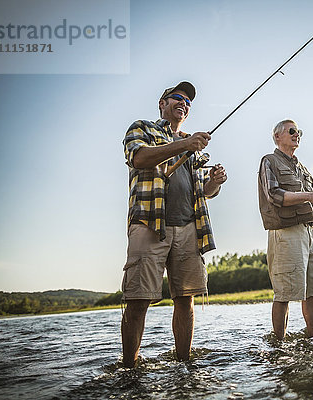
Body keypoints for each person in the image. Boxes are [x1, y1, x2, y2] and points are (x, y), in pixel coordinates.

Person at [121, 81, 227, 367]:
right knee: (138, 299)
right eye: (177, 98)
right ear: (162, 103)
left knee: (186, 298)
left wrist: (214, 183)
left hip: (189, 228)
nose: (184, 103)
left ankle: (184, 364)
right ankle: (129, 368)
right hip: (148, 224)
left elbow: (202, 191)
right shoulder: (142, 128)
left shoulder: (192, 143)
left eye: (188, 102)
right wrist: (184, 144)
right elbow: (139, 158)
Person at [257, 119, 313, 339]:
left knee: (312, 292)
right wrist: (311, 195)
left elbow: (306, 199)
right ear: (277, 137)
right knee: (284, 293)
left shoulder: (301, 167)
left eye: (298, 131)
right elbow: (274, 194)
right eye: (291, 131)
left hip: (309, 232)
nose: (296, 134)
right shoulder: (269, 161)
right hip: (286, 233)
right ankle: (278, 344)